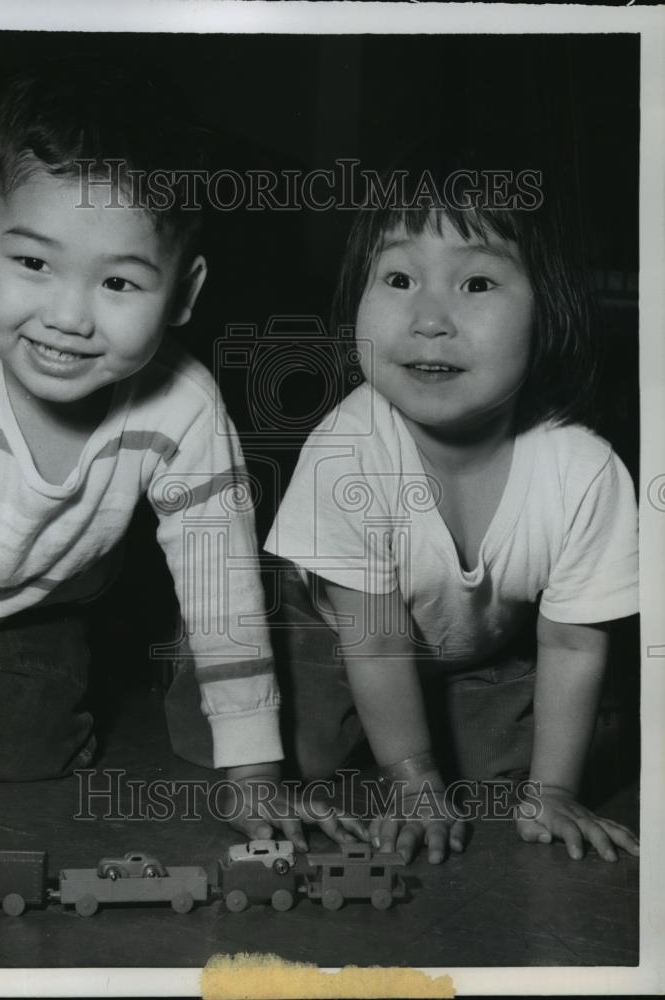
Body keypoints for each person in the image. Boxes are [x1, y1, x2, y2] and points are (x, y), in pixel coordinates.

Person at [0, 63, 361, 876]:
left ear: (183, 292)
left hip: (34, 617)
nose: (68, 317)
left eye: (117, 281)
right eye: (34, 264)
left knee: (25, 744)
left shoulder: (183, 404)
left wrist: (254, 774)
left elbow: (221, 590)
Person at [264, 142, 641, 866]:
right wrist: (411, 779)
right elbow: (371, 642)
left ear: (549, 304)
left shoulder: (582, 469)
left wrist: (552, 791)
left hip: (475, 647)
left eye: (475, 284)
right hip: (335, 634)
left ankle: (451, 728)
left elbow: (569, 641)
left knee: (561, 744)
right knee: (306, 743)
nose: (429, 318)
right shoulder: (348, 450)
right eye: (399, 277)